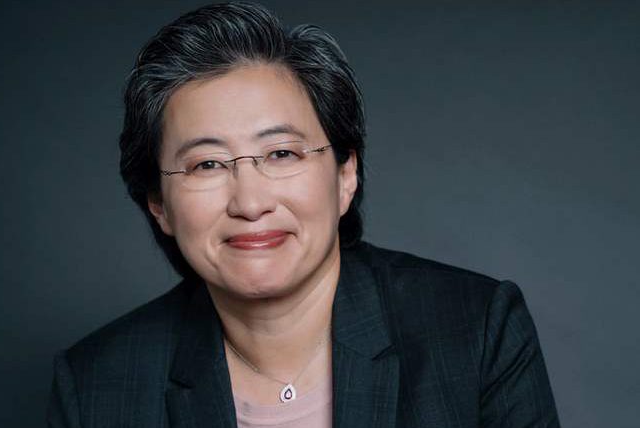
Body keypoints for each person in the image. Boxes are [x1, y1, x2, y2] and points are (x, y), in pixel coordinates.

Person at [48, 2, 560, 427]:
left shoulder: (475, 330)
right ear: (158, 204)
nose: (250, 203)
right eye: (207, 164)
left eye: (281, 154)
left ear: (345, 175)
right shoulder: (96, 386)